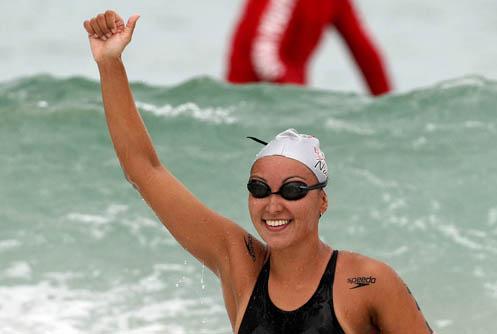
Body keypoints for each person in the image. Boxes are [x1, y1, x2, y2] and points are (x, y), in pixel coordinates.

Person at [83, 11, 432, 333]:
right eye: (259, 189)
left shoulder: (366, 283)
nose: (273, 204)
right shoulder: (240, 266)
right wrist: (110, 63)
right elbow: (144, 171)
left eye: (293, 190)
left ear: (322, 200)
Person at [226, 0, 392, 96]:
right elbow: (264, 56)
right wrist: (299, 95)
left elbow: (364, 53)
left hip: (288, 98)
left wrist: (386, 105)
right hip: (246, 98)